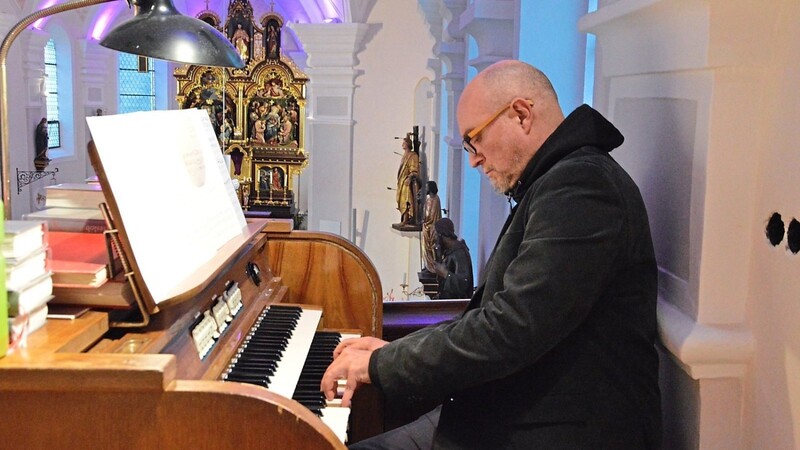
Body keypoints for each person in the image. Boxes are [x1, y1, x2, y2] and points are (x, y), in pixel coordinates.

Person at [321, 60, 661, 449]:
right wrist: (393, 351)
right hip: (501, 415)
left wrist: (381, 365)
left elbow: (510, 328)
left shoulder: (582, 186)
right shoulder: (555, 181)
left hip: (551, 431)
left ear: (521, 114)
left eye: (474, 139)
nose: (473, 158)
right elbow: (494, 315)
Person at [430, 218, 473, 299]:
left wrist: (445, 273)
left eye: (435, 234)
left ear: (441, 235)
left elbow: (463, 284)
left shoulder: (459, 253)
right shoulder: (449, 252)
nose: (434, 239)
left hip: (457, 307)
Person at [395, 133, 421, 227]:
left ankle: (406, 219)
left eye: (404, 142)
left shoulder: (412, 155)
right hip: (401, 181)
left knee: (406, 200)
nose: (402, 144)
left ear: (408, 144)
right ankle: (404, 219)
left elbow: (414, 170)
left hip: (406, 182)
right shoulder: (405, 155)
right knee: (401, 200)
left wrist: (409, 178)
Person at [421, 181, 442, 272]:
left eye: (427, 187)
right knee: (426, 247)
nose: (425, 189)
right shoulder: (431, 199)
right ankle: (428, 265)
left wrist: (424, 220)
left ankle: (432, 266)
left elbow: (431, 215)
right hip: (428, 227)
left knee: (431, 247)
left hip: (431, 227)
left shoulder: (434, 200)